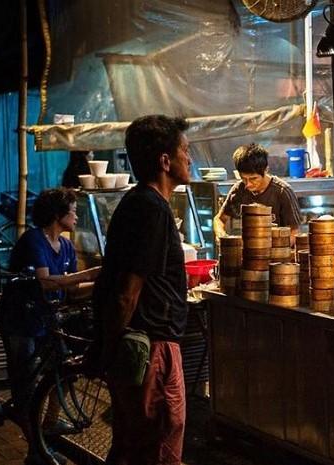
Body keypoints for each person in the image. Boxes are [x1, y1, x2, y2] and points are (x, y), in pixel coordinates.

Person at [93, 114, 191, 465]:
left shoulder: (137, 203)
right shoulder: (151, 209)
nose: (190, 159)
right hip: (154, 349)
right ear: (166, 161)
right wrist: (110, 349)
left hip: (146, 345)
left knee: (132, 444)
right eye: (185, 151)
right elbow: (126, 292)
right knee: (159, 440)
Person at [0, 187, 100, 465]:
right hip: (21, 320)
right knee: (26, 386)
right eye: (73, 211)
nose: (77, 217)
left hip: (47, 319)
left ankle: (49, 424)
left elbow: (71, 286)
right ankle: (35, 450)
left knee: (67, 372)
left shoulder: (65, 245)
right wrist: (91, 273)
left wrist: (106, 283)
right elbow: (45, 281)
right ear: (58, 215)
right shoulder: (33, 241)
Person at [213, 143, 301, 239]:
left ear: (266, 170)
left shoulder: (282, 191)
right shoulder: (239, 189)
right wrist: (221, 235)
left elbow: (294, 231)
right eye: (244, 178)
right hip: (249, 250)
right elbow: (219, 219)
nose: (248, 184)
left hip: (277, 250)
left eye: (253, 178)